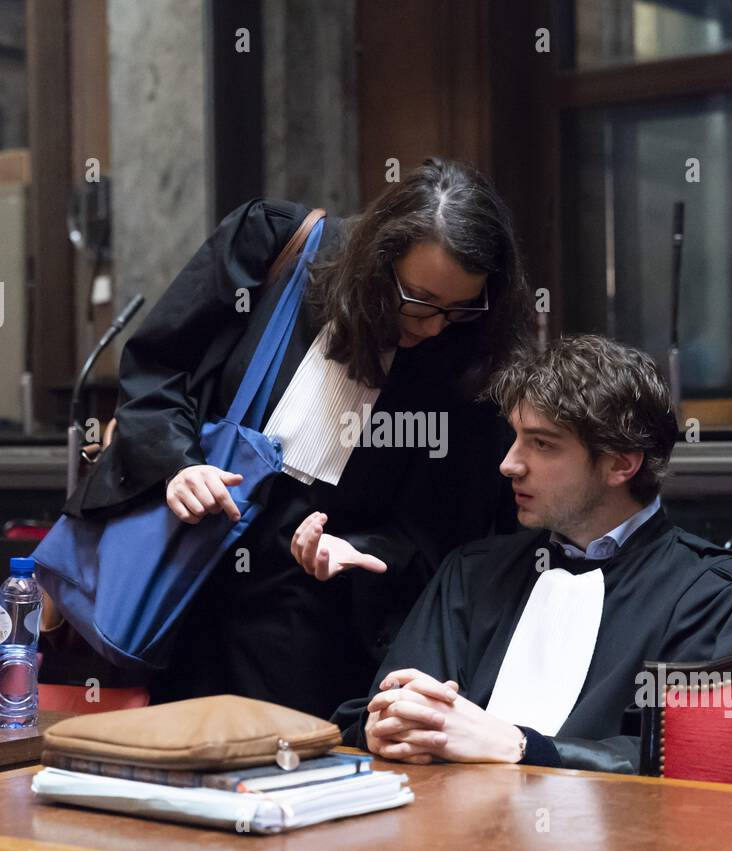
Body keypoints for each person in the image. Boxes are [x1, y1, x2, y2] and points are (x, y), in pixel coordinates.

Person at [62, 158, 536, 718]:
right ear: (377, 259)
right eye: (418, 299)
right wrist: (178, 465)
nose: (433, 325)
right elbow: (156, 367)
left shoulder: (463, 355)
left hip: (312, 613)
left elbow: (439, 520)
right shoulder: (272, 241)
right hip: (184, 565)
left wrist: (360, 551)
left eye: (458, 308)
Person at [332, 335, 732, 773]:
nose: (509, 464)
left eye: (542, 444)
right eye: (514, 437)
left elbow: (708, 759)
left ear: (620, 463)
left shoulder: (717, 598)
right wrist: (384, 726)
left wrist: (521, 746)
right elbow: (383, 705)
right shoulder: (472, 573)